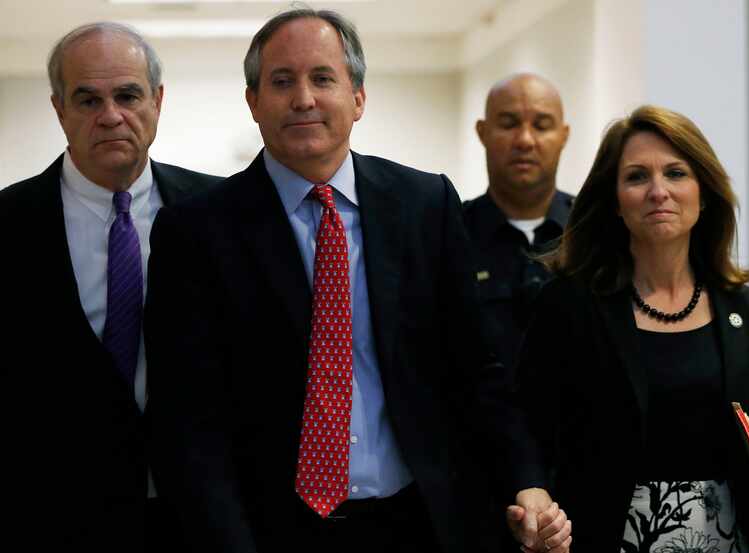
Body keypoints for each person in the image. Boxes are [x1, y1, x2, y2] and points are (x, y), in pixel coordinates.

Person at [144, 7, 570, 553]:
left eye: (323, 78)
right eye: (282, 81)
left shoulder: (424, 206)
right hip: (271, 531)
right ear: (253, 102)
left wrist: (527, 480)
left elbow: (475, 369)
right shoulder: (197, 230)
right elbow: (188, 420)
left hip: (417, 524)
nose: (304, 99)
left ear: (359, 97)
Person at [517, 105, 749, 552]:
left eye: (676, 173)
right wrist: (533, 497)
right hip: (609, 537)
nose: (659, 191)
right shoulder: (569, 305)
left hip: (725, 540)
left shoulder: (745, 310)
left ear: (705, 191)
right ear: (615, 201)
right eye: (637, 177)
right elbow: (528, 429)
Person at [0, 22, 221, 552]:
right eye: (87, 99)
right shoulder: (9, 225)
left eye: (127, 95)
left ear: (158, 101)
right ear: (59, 110)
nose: (111, 115)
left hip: (198, 515)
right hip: (50, 516)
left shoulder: (220, 213)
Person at [464, 73, 572, 372]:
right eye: (509, 124)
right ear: (483, 132)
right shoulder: (449, 234)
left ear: (564, 135)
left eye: (541, 125)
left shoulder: (596, 232)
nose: (525, 140)